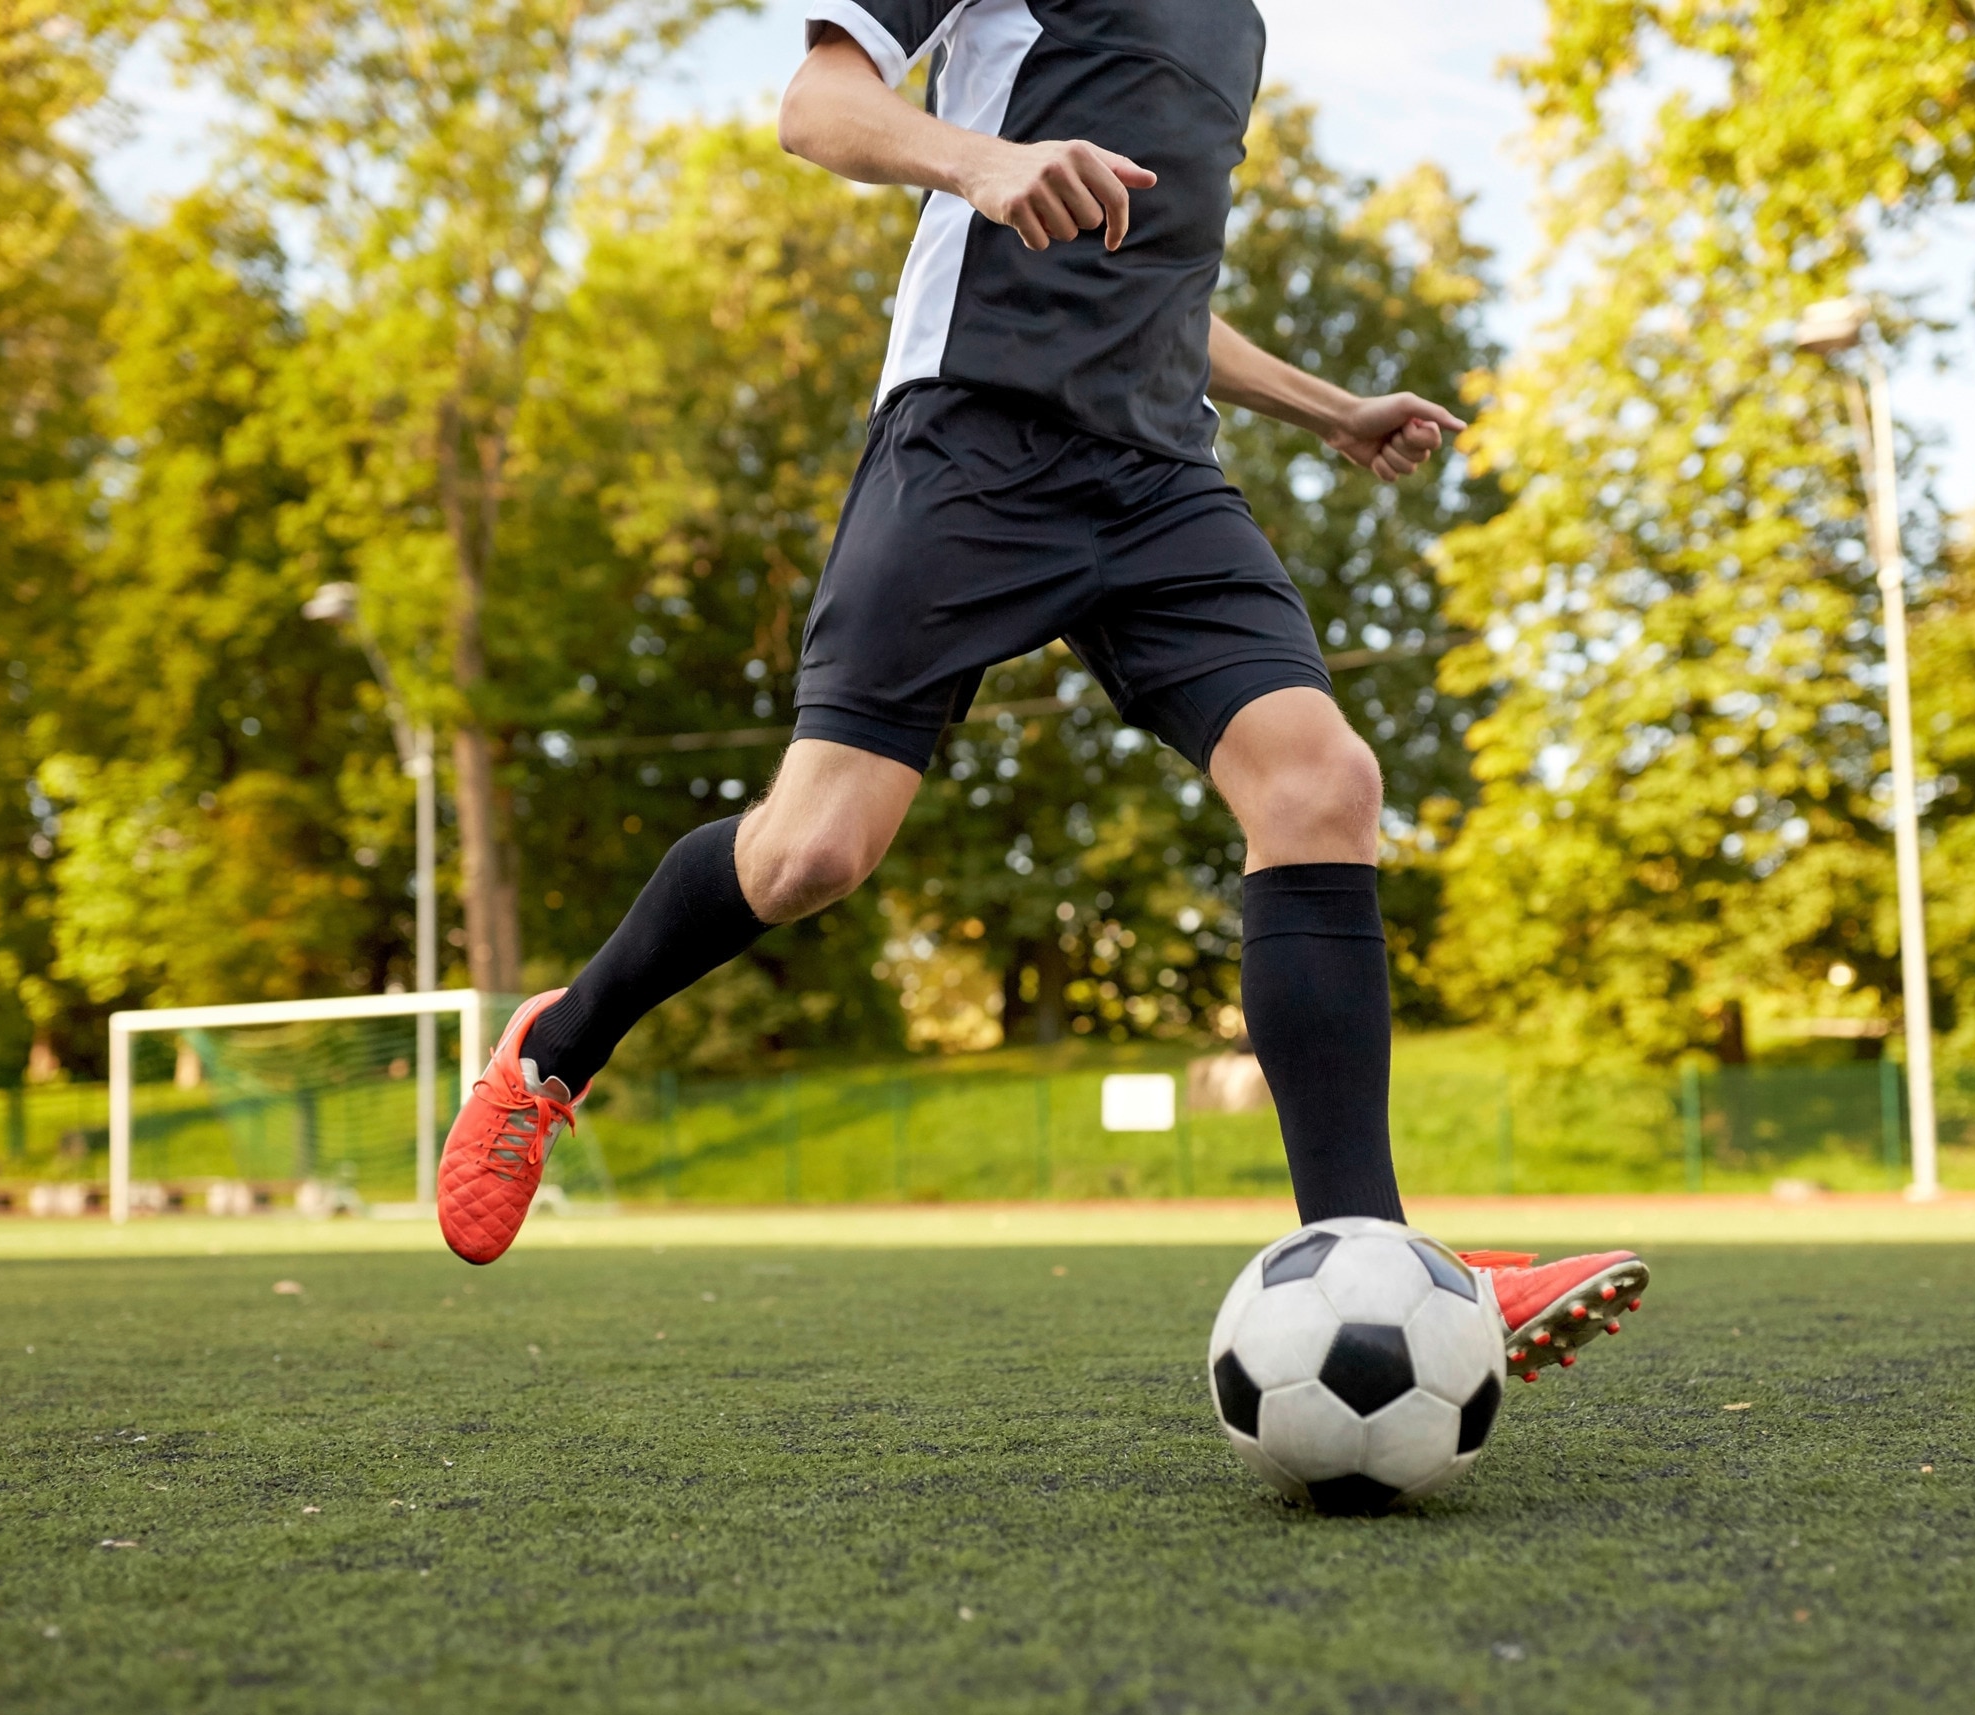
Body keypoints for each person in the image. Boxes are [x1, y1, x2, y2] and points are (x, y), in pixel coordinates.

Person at [431, 0, 1649, 1371]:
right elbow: (817, 107)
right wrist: (984, 162)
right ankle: (554, 1047)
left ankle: (1375, 1260)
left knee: (1323, 785)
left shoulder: (1232, 31)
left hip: (1159, 477)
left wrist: (1331, 409)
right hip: (972, 440)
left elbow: (1160, 303)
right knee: (811, 854)